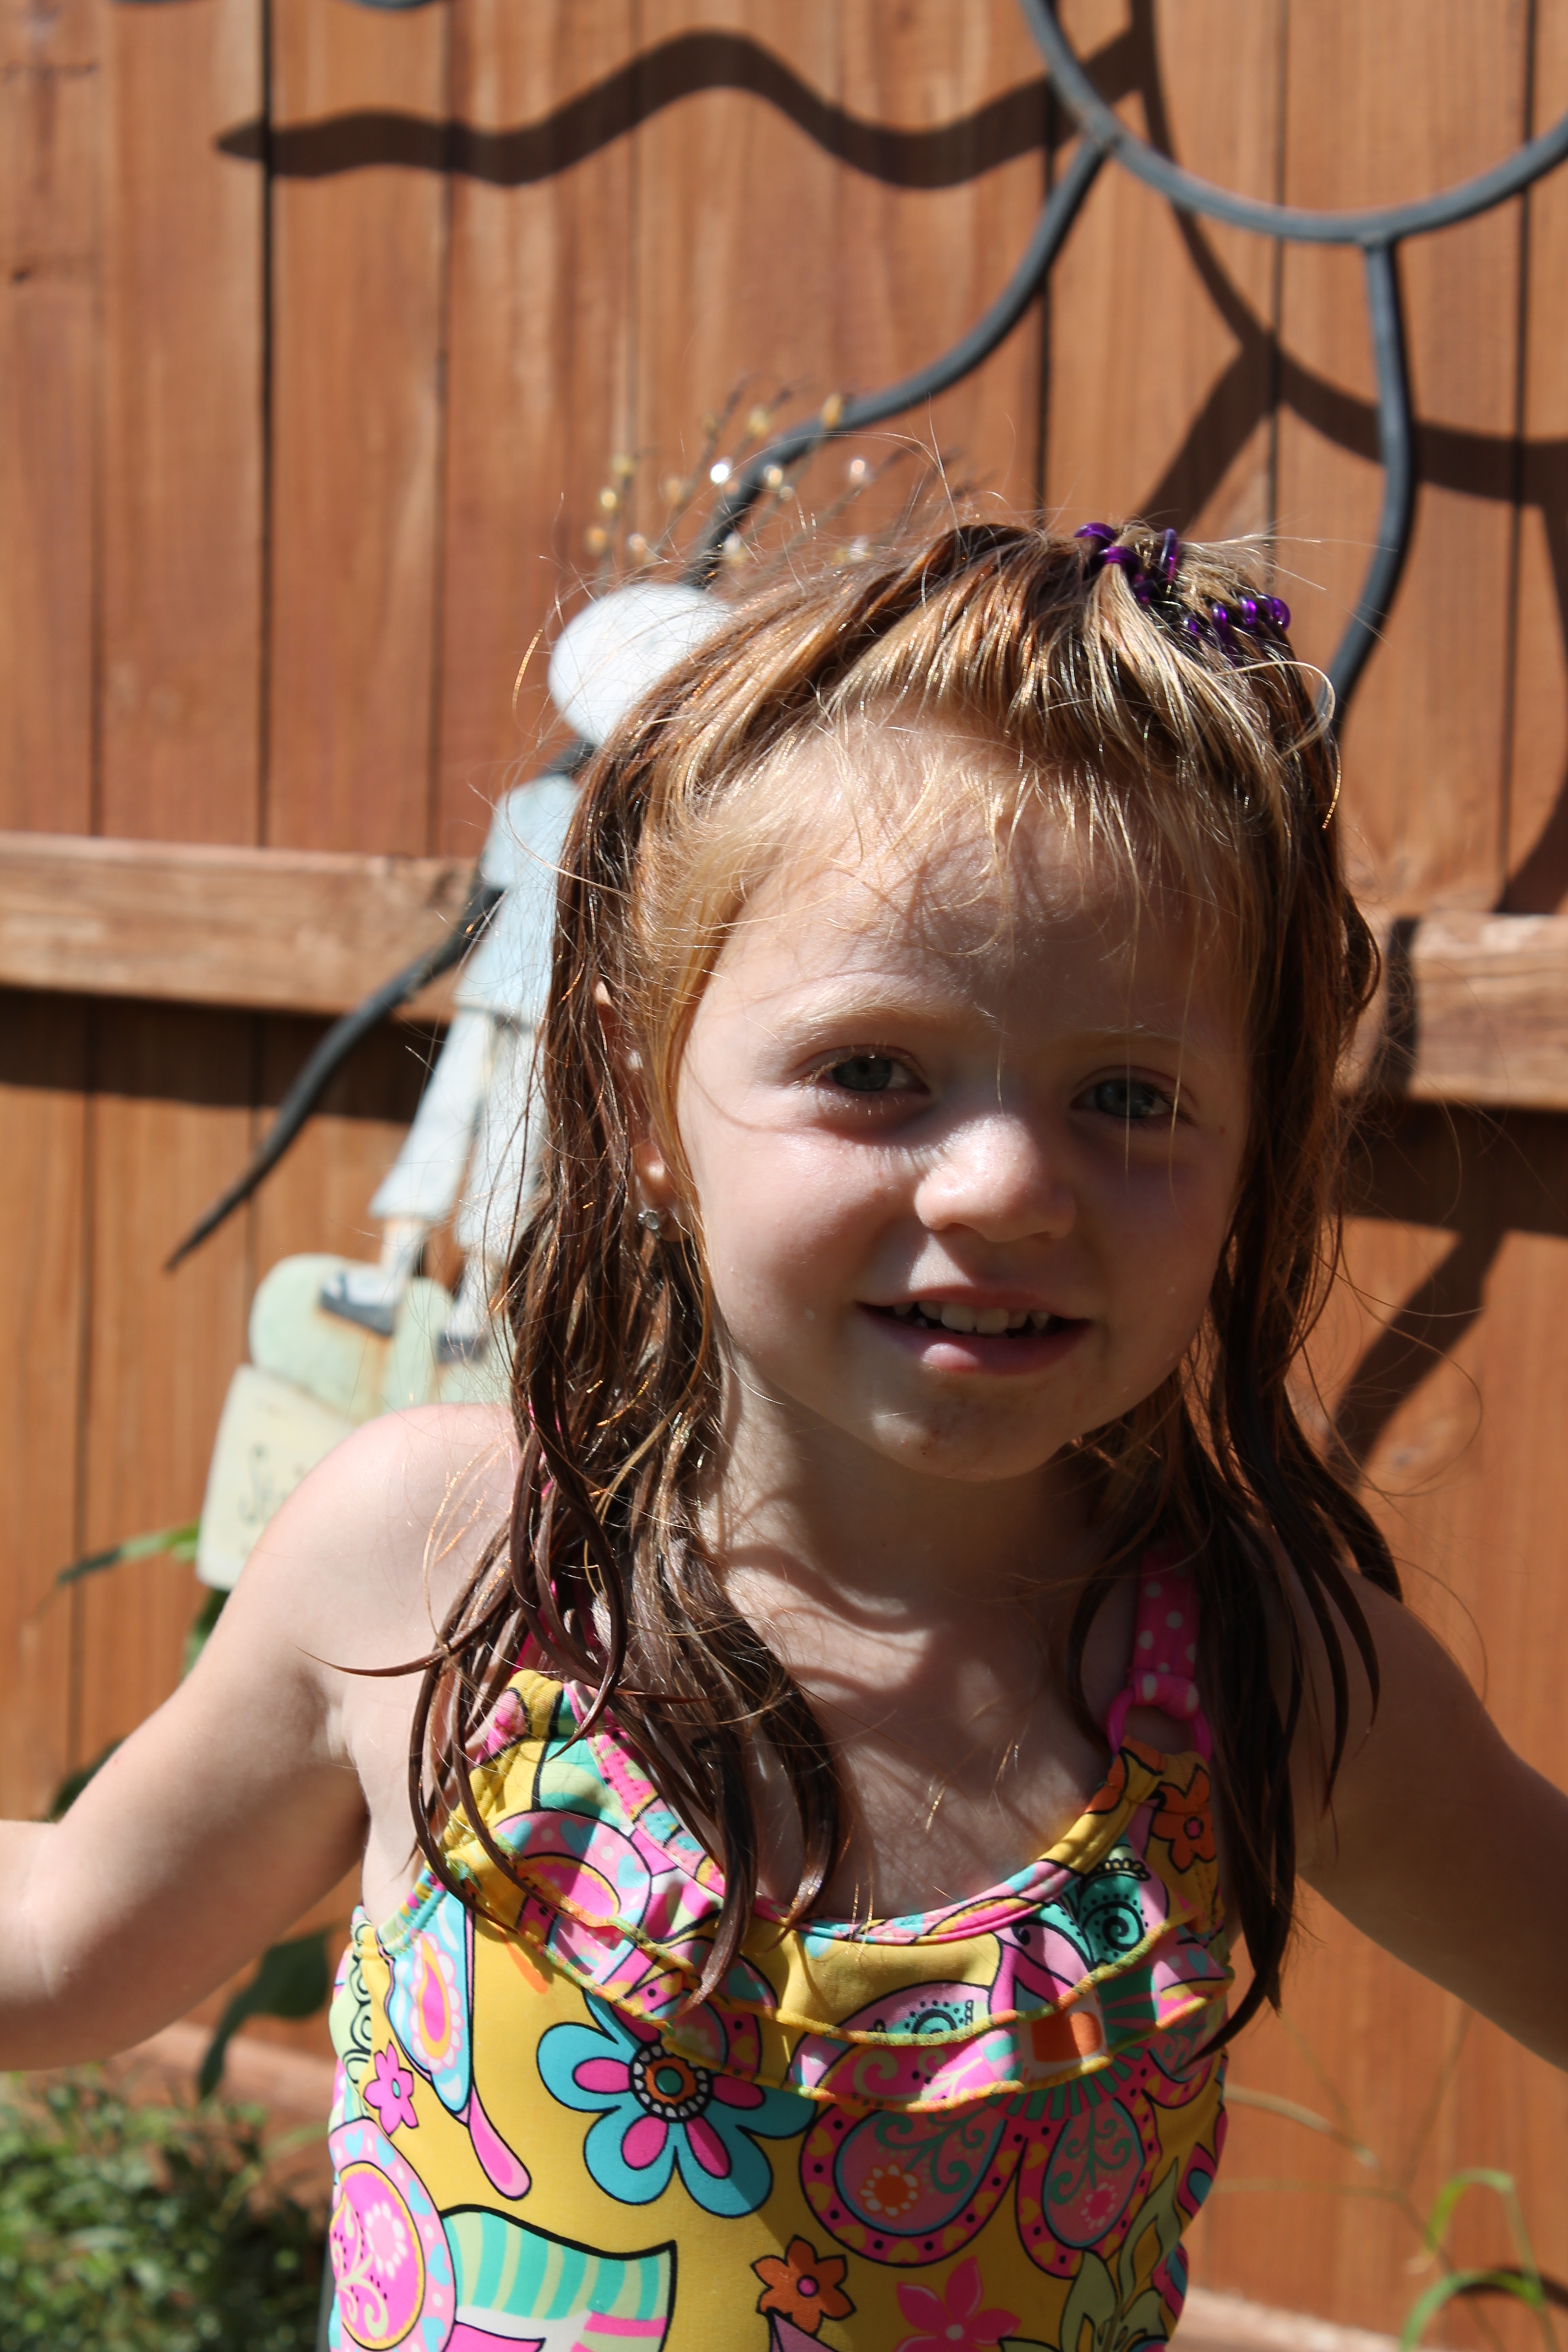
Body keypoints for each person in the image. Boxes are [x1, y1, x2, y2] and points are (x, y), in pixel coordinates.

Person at [6, 520, 1565, 2352]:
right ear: (638, 1095)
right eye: (873, 1072)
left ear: (1258, 1148)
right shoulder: (430, 1570)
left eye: (1131, 1096)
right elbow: (59, 1949)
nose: (1003, 1185)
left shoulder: (1264, 1679)